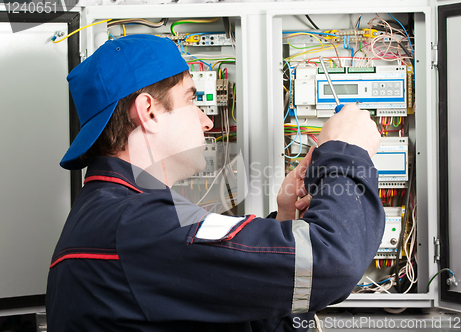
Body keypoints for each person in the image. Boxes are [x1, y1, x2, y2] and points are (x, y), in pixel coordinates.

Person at [46, 34, 384, 331]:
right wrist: (345, 152)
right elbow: (333, 263)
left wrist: (285, 222)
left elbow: (239, 306)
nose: (207, 121)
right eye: (191, 99)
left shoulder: (119, 214)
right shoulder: (138, 224)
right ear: (148, 111)